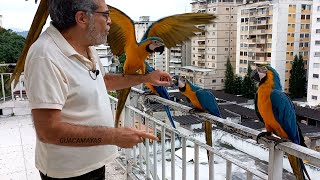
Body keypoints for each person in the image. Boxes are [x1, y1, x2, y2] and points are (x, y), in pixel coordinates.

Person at [24, 0, 172, 179]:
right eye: (106, 15)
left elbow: (103, 81)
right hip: (68, 172)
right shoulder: (45, 56)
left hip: (93, 164)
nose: (110, 21)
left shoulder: (86, 47)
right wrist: (114, 136)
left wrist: (146, 78)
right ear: (82, 18)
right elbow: (48, 130)